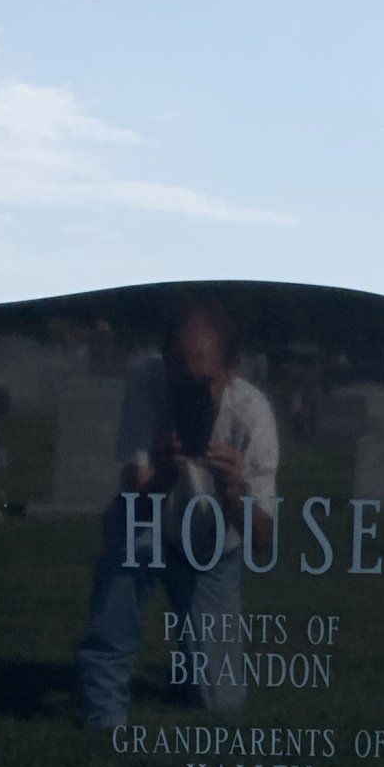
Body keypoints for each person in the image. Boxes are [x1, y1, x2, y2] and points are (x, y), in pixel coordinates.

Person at [75, 299, 280, 728]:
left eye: (207, 382)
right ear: (166, 364)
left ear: (233, 368)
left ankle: (193, 672)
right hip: (147, 523)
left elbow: (263, 542)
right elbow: (134, 499)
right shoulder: (146, 381)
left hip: (211, 543)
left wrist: (232, 489)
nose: (195, 394)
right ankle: (103, 719)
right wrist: (165, 473)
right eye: (182, 379)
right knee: (116, 606)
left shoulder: (252, 415)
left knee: (220, 702)